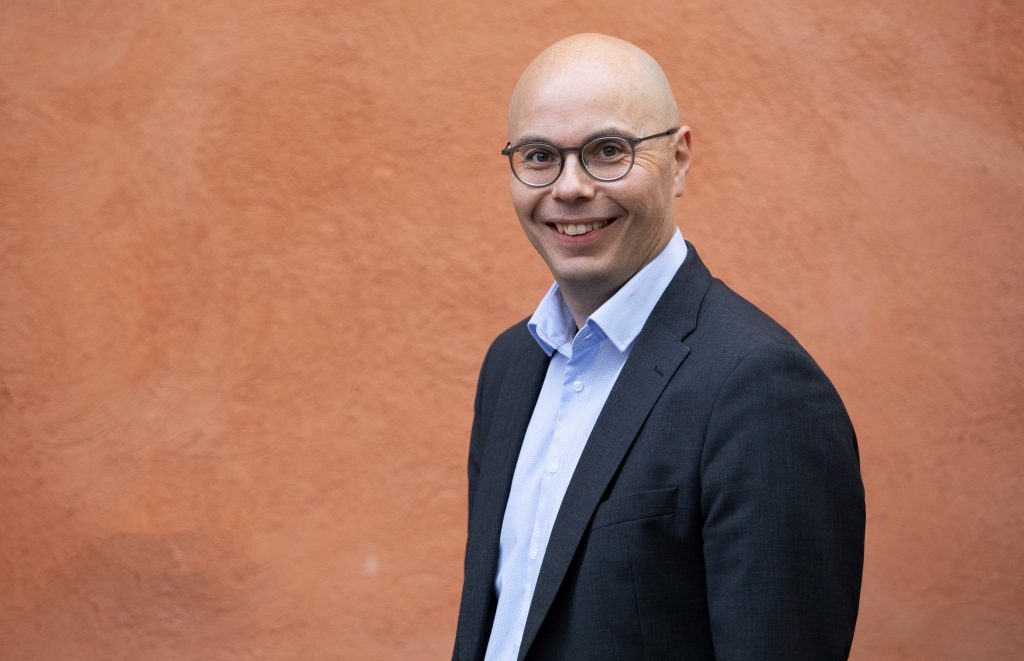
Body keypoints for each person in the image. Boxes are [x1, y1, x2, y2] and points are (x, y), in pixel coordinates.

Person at [452, 33, 865, 661]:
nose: (569, 188)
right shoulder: (511, 365)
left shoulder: (761, 389)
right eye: (539, 155)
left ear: (679, 161)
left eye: (608, 151)